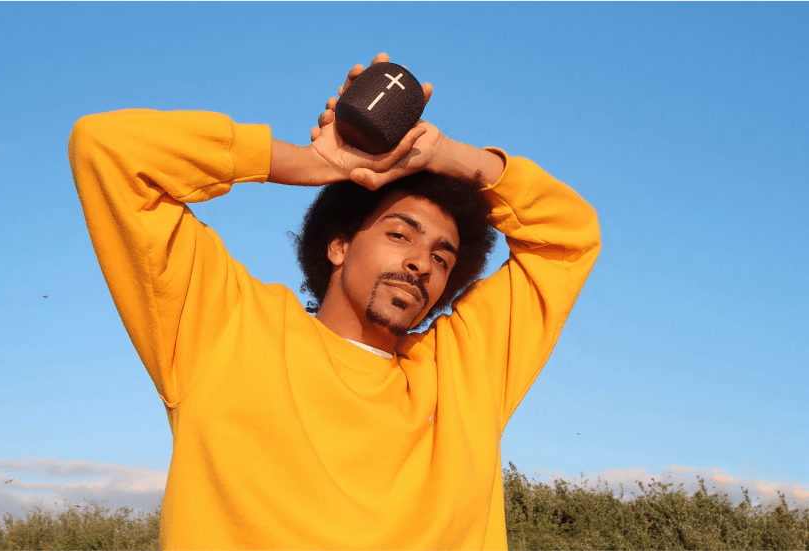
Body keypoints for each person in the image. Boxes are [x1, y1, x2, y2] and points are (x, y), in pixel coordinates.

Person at [68, 54, 600, 551]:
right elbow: (109, 148)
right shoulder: (226, 327)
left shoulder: (463, 372)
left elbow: (570, 237)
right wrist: (314, 162)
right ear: (339, 243)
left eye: (443, 257)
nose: (421, 262)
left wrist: (446, 157)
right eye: (399, 235)